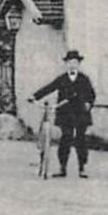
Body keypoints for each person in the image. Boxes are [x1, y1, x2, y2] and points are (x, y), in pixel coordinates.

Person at [30, 50, 96, 178]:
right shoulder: (62, 79)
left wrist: (89, 103)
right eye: (70, 62)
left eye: (75, 63)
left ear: (78, 64)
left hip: (81, 113)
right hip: (65, 113)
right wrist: (34, 96)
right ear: (66, 64)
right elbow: (49, 88)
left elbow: (91, 94)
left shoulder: (84, 79)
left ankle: (82, 168)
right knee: (65, 138)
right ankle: (62, 168)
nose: (72, 65)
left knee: (80, 139)